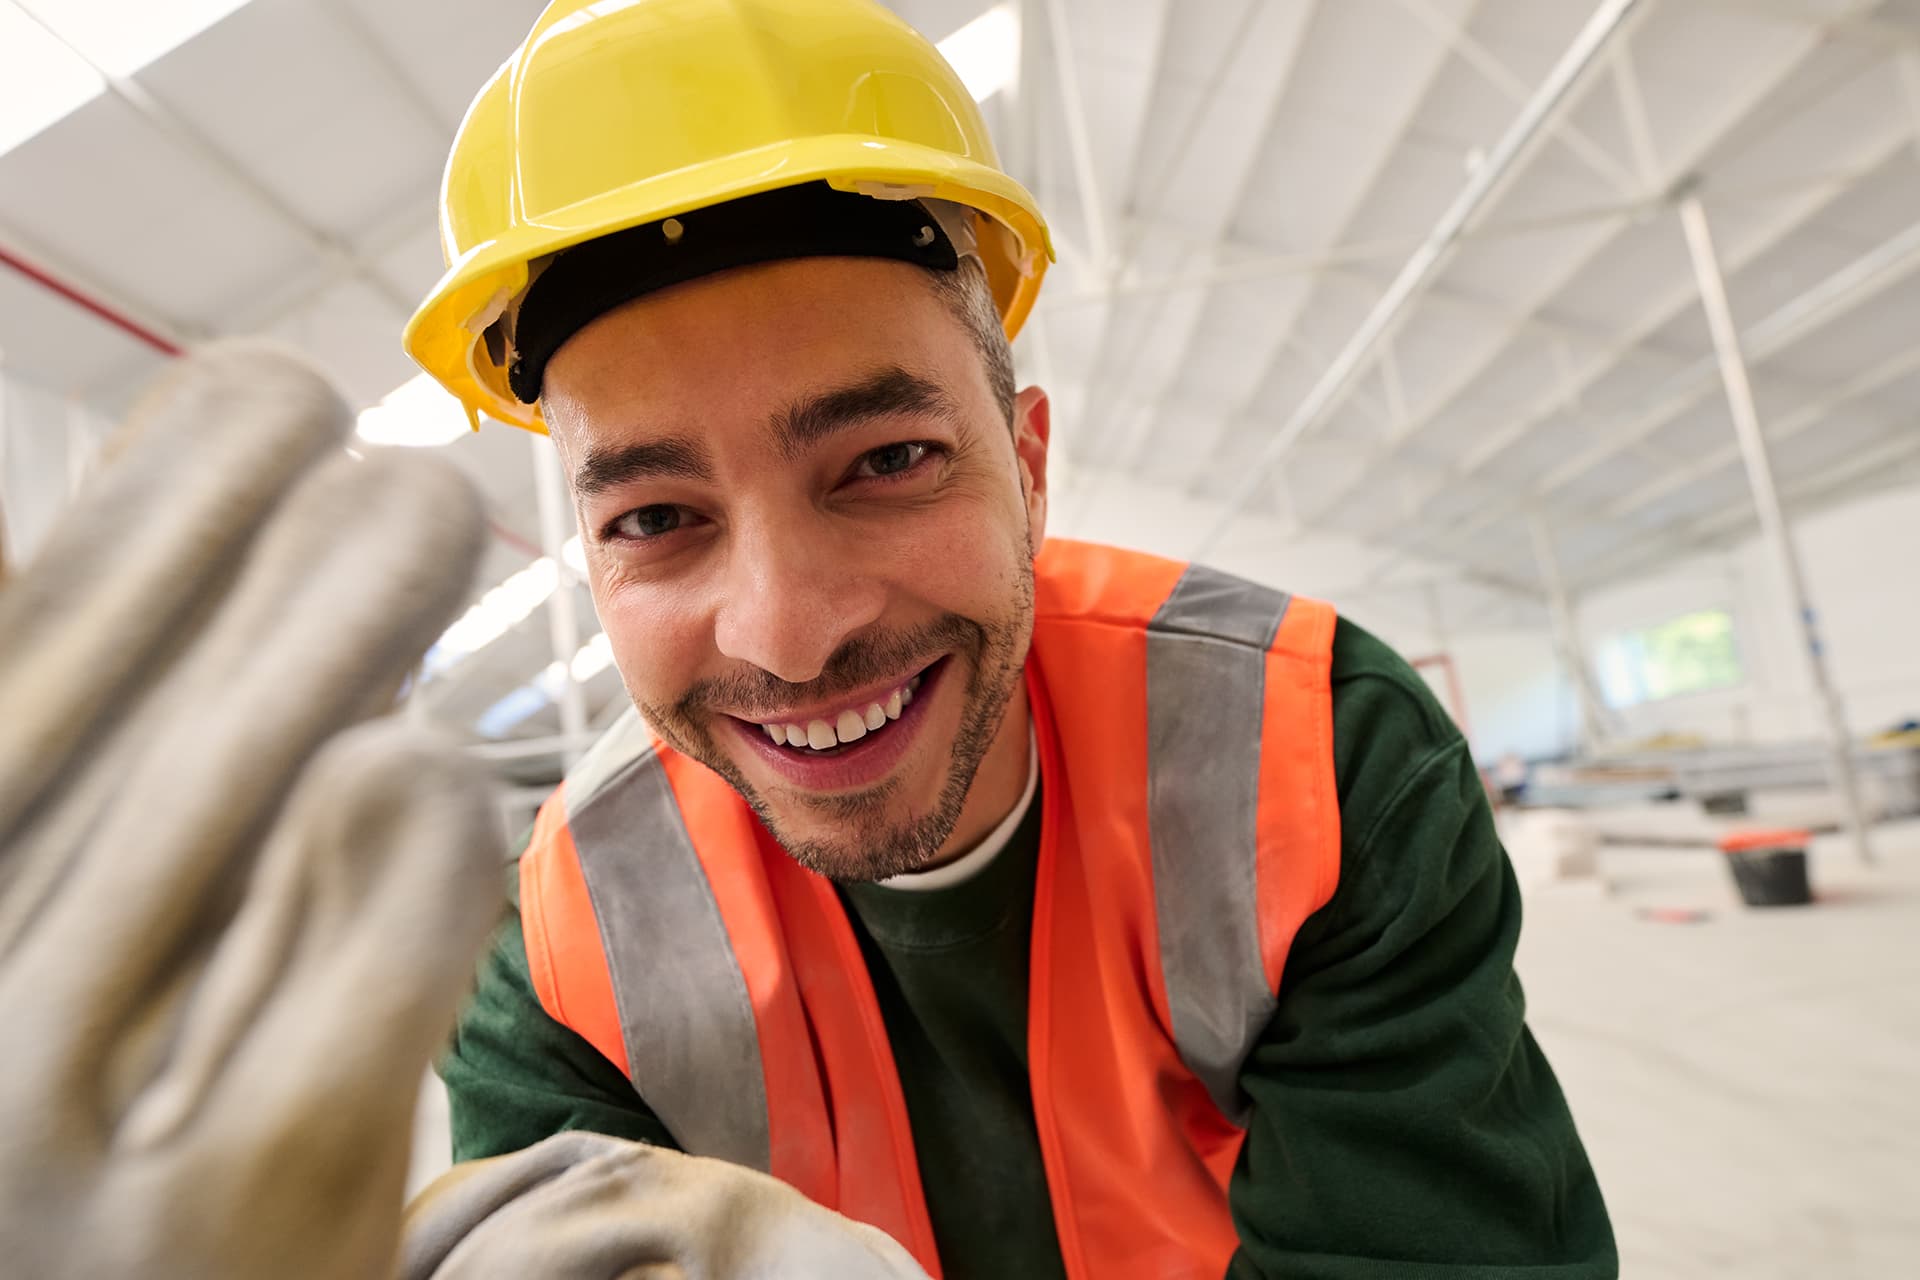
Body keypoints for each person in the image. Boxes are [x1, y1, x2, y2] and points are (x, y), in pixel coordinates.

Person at [409, 2, 1618, 1276]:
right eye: (656, 516)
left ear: (1029, 470)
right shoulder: (560, 935)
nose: (790, 634)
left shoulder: (1312, 757)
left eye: (887, 459)